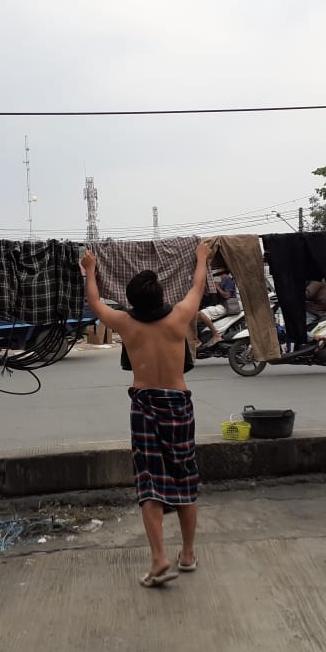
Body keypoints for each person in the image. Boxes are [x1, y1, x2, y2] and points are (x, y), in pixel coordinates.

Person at [80, 242, 210, 588]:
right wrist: (200, 257)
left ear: (132, 300)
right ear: (161, 296)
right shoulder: (180, 316)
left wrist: (90, 269)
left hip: (145, 404)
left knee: (150, 481)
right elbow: (197, 286)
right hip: (178, 403)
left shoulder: (125, 323)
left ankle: (158, 558)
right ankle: (187, 553)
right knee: (185, 475)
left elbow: (94, 303)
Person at [197, 268, 238, 346]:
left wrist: (217, 287)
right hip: (220, 305)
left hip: (226, 306)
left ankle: (216, 335)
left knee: (201, 313)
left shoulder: (227, 279)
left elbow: (227, 295)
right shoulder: (217, 280)